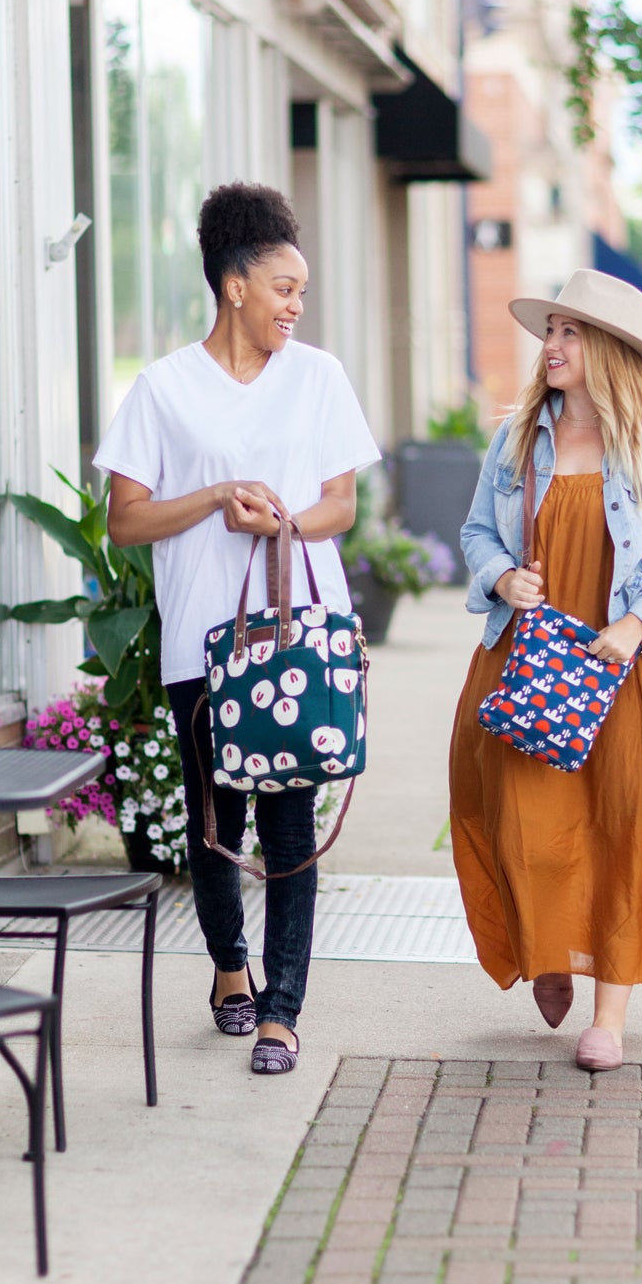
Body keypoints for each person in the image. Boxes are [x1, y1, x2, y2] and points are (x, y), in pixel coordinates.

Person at [94, 182, 380, 1075]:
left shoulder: (318, 377)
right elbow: (126, 520)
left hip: (296, 637)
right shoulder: (164, 388)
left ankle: (281, 1013)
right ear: (235, 285)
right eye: (285, 288)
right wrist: (216, 496)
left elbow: (341, 505)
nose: (296, 306)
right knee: (216, 821)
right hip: (203, 643)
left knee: (290, 826)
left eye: (302, 292)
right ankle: (229, 966)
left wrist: (278, 519)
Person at [449, 270, 642, 1072]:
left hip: (628, 663)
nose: (551, 344)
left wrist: (635, 622)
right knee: (520, 815)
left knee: (625, 828)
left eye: (570, 332)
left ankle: (609, 1015)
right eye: (551, 330)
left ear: (609, 349)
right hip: (532, 655)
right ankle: (549, 947)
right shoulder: (518, 437)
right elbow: (477, 532)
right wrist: (501, 578)